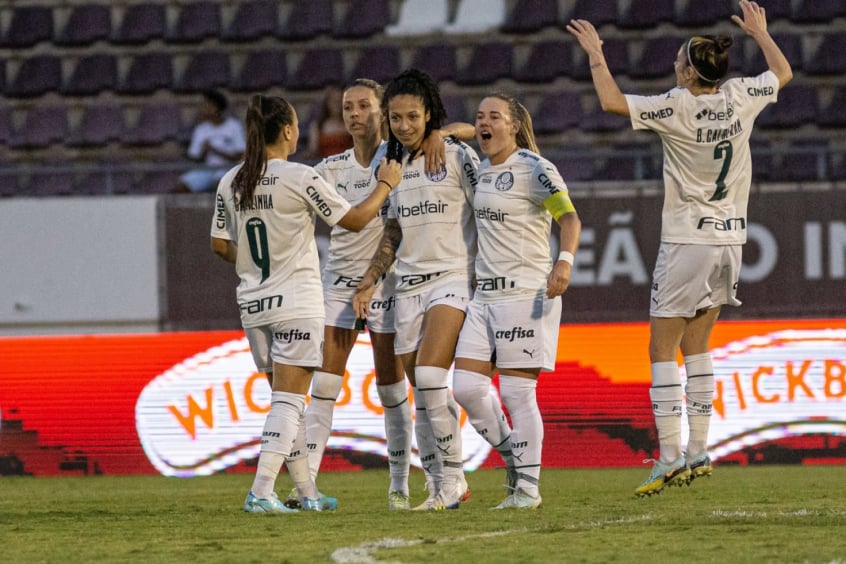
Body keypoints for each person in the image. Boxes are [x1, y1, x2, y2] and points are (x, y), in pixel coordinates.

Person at [567, 0, 793, 497]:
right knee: (697, 346)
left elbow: (610, 102)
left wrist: (596, 55)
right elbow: (782, 71)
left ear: (690, 72)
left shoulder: (677, 104)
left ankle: (668, 456)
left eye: (678, 62)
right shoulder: (741, 95)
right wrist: (760, 31)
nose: (674, 67)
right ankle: (697, 450)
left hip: (688, 238)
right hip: (732, 239)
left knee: (661, 348)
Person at [210, 94, 402, 513]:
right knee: (290, 403)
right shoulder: (299, 177)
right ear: (287, 131)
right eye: (296, 125)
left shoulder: (232, 179)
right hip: (295, 301)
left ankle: (308, 492)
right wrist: (386, 184)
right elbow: (353, 220)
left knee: (285, 402)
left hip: (253, 304)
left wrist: (253, 261)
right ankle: (261, 491)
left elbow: (219, 244)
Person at [353, 68, 480, 511]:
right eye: (396, 118)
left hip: (452, 278)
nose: (404, 126)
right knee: (423, 396)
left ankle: (452, 482)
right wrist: (370, 280)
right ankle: (444, 481)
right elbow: (392, 230)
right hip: (406, 286)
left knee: (429, 378)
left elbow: (490, 138)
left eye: (413, 116)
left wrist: (449, 133)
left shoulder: (456, 154)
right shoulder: (388, 166)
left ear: (430, 115)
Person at [453, 93, 581, 510]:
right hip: (483, 296)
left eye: (495, 117)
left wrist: (563, 262)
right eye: (479, 117)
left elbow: (569, 218)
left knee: (516, 394)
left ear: (514, 125)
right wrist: (463, 130)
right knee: (466, 388)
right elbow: (455, 136)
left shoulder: (534, 168)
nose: (484, 123)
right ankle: (513, 457)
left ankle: (527, 490)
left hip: (525, 293)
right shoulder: (481, 168)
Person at [176, 90, 246, 193]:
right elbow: (195, 158)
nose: (202, 109)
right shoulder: (201, 129)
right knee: (181, 186)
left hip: (228, 169)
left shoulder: (234, 126)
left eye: (206, 105)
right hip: (206, 170)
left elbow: (240, 155)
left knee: (219, 184)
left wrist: (214, 150)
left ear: (216, 108)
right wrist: (204, 152)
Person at [307, 85, 354, 160]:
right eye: (334, 101)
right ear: (327, 103)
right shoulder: (318, 125)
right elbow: (313, 150)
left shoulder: (352, 123)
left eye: (340, 101)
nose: (337, 105)